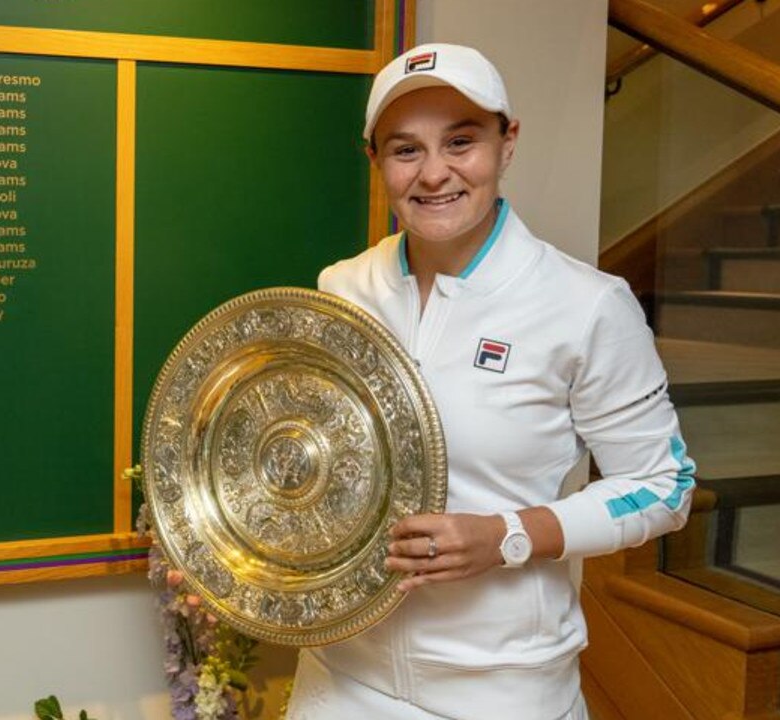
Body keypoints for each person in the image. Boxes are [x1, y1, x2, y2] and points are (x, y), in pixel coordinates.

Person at [287, 43, 696, 720]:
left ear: (507, 144)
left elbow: (664, 486)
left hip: (502, 690)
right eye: (405, 149)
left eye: (461, 141)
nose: (435, 173)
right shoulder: (342, 290)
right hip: (340, 677)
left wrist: (509, 534)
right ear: (375, 161)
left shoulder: (586, 306)